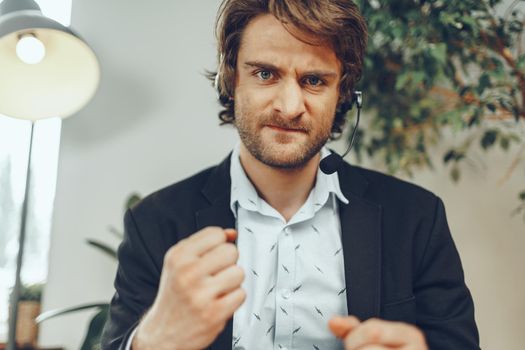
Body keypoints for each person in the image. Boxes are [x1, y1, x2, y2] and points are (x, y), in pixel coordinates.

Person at [101, 0, 480, 349]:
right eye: (266, 74)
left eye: (314, 80)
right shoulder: (153, 223)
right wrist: (151, 340)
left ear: (344, 93)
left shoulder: (416, 218)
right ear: (230, 80)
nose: (289, 106)